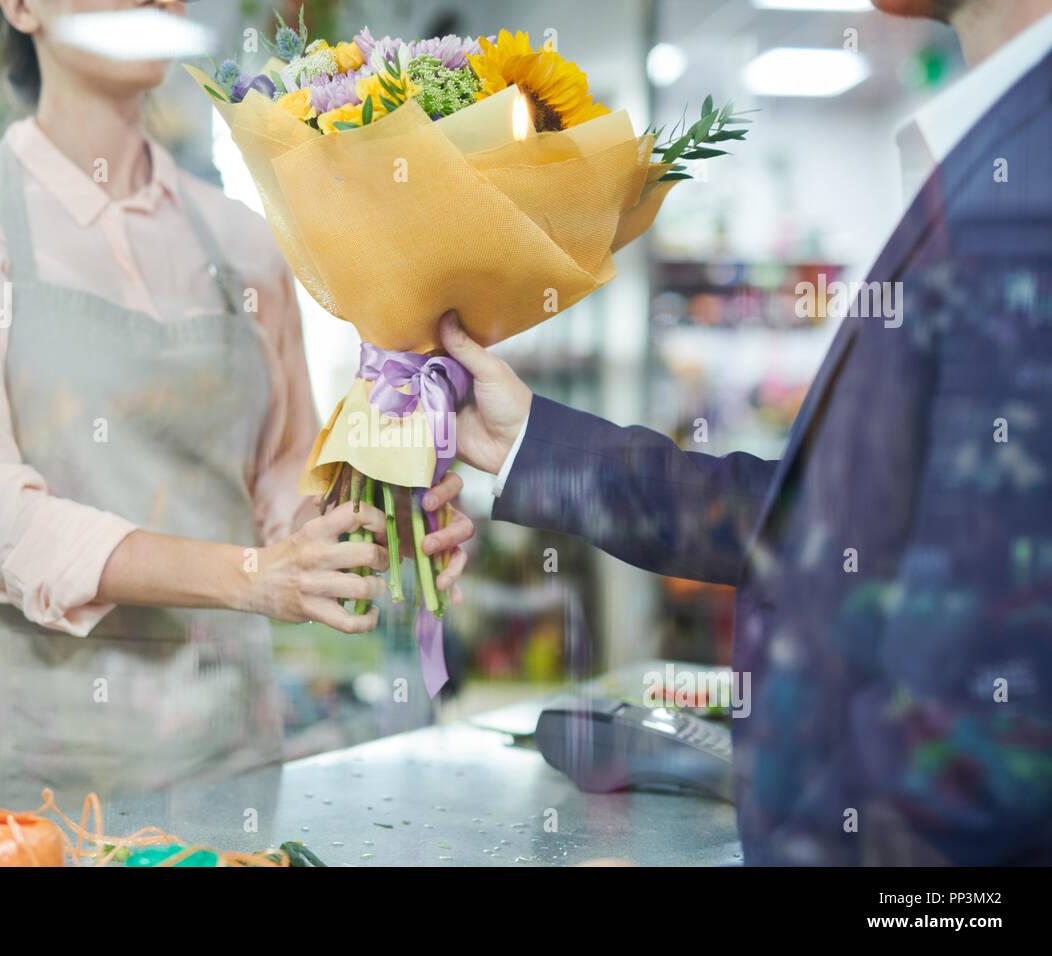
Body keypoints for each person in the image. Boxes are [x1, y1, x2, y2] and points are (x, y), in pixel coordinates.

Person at [438, 0, 1052, 864]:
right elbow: (820, 523)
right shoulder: (996, 147)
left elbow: (993, 737)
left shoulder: (1026, 192)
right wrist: (532, 445)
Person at [0, 0, 471, 842]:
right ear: (19, 7)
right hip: (22, 775)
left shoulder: (247, 242)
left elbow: (284, 484)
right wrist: (249, 576)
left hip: (221, 762)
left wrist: (386, 520)